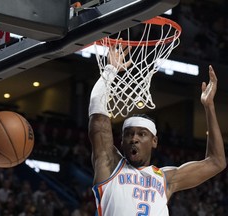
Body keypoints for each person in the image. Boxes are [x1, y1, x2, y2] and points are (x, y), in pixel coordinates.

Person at [88, 45, 226, 215]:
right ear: (121, 141)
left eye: (141, 134)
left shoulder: (165, 179)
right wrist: (110, 71)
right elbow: (98, 119)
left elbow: (216, 162)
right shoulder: (109, 165)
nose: (134, 138)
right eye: (129, 134)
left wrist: (209, 107)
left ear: (154, 141)